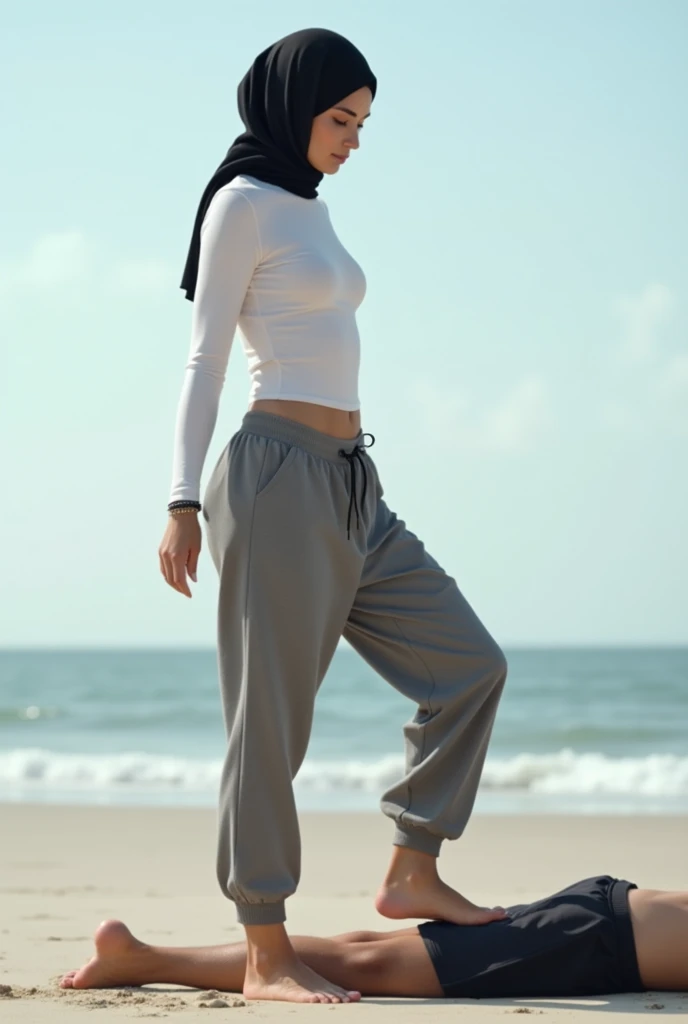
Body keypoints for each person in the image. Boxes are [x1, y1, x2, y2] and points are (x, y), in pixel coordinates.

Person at [157, 26, 508, 1004]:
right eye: (339, 119)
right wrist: (181, 498)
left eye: (361, 123)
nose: (352, 139)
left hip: (355, 483)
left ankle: (412, 867)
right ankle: (266, 952)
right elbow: (204, 359)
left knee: (469, 664)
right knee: (269, 721)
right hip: (274, 479)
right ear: (290, 106)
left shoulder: (309, 211)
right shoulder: (244, 205)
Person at [60, 875, 688, 1001]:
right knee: (367, 962)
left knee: (364, 948)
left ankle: (139, 957)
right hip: (598, 938)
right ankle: (136, 960)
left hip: (606, 925)